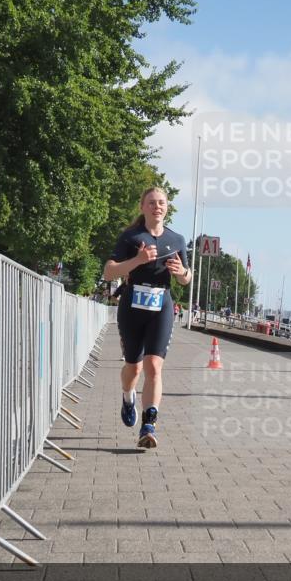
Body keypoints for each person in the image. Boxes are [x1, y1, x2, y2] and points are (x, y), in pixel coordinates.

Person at [103, 187, 191, 448]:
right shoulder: (131, 237)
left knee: (154, 366)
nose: (157, 207)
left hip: (161, 305)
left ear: (167, 207)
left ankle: (148, 425)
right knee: (135, 366)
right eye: (151, 203)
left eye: (161, 203)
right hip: (132, 307)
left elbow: (187, 279)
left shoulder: (176, 239)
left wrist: (181, 272)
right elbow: (109, 272)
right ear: (142, 207)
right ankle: (128, 396)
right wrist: (138, 260)